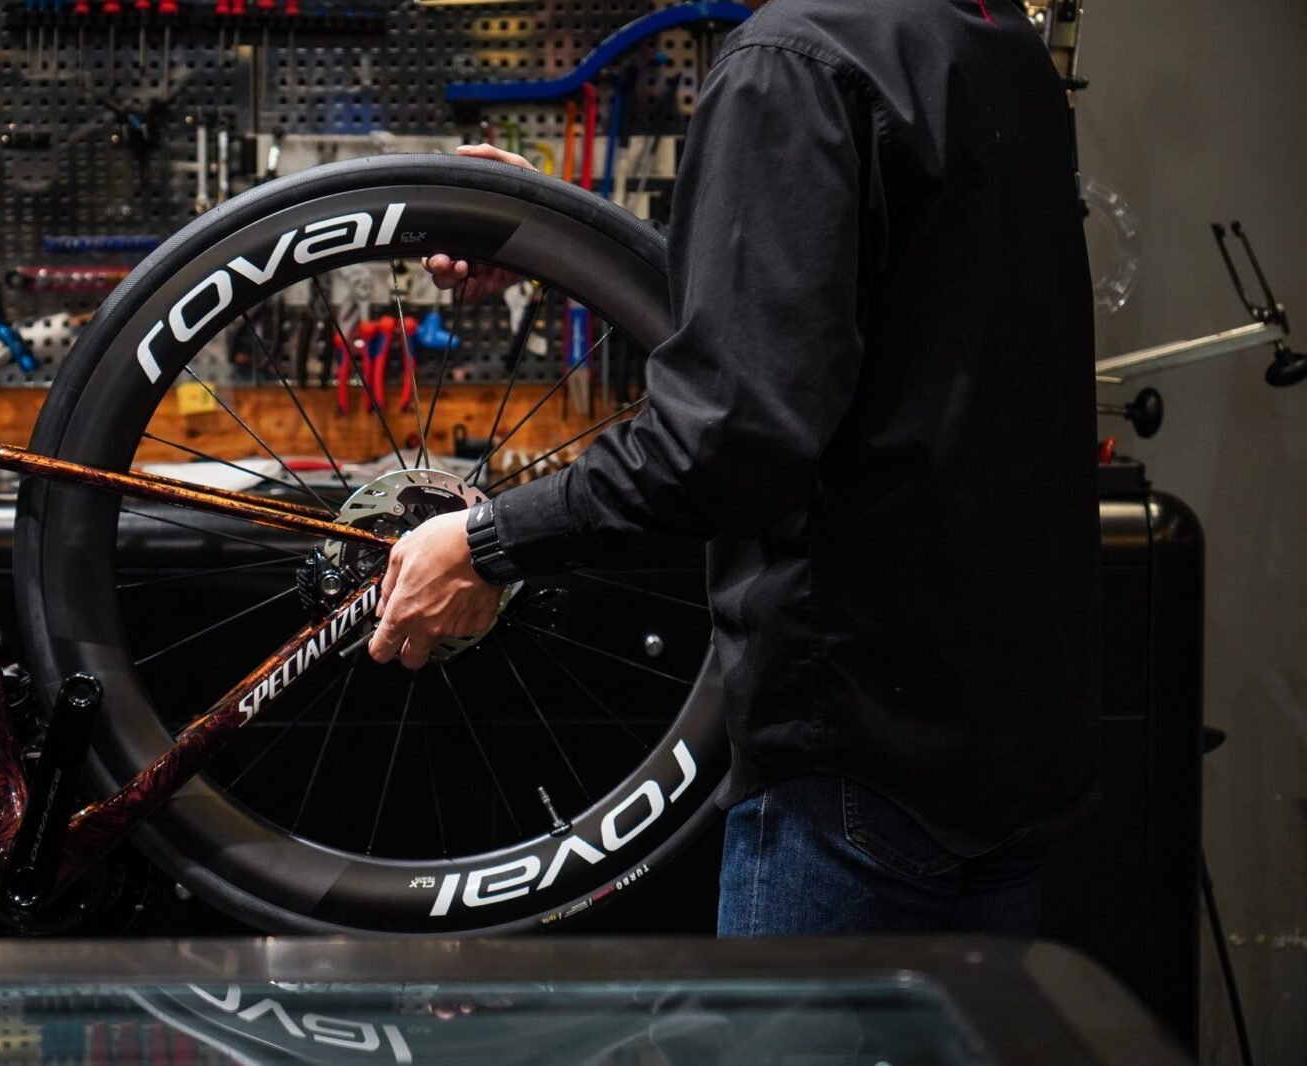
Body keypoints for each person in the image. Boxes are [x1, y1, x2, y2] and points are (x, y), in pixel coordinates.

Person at [370, 0, 1102, 937]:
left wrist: (487, 542)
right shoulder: (991, 40)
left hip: (855, 765)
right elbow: (876, 289)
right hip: (999, 746)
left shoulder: (792, 59)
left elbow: (725, 442)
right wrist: (571, 234)